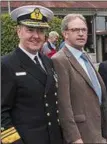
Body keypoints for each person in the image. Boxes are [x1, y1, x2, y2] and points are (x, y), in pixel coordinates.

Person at [1, 5, 63, 144]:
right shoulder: (6, 64)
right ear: (19, 32)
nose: (36, 36)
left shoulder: (48, 62)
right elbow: (1, 112)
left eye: (40, 31)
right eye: (30, 30)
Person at [51, 14, 107, 143]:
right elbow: (63, 104)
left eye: (84, 30)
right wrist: (74, 138)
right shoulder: (60, 60)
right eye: (75, 30)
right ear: (65, 34)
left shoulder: (85, 56)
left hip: (97, 131)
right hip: (81, 134)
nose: (81, 33)